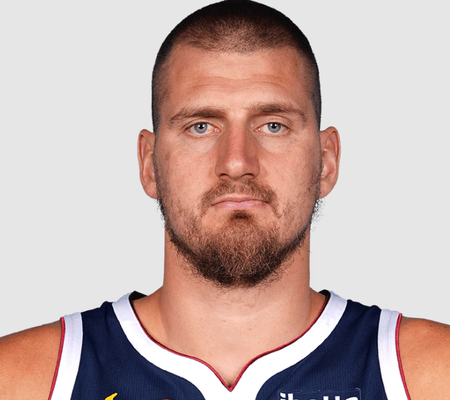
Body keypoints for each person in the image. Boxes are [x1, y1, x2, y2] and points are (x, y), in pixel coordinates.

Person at [1, 1, 449, 399]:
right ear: (149, 164)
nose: (236, 162)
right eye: (201, 126)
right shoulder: (23, 381)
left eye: (273, 125)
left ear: (326, 161)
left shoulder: (430, 376)